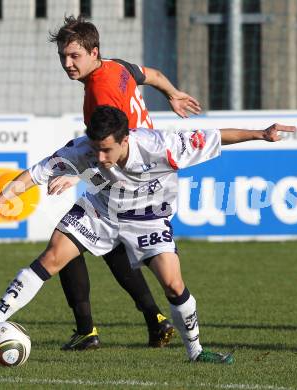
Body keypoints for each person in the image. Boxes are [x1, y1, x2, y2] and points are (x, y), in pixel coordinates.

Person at [0, 105, 295, 364]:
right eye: (96, 149)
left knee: (173, 284)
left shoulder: (162, 146)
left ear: (126, 139)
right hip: (100, 212)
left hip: (149, 220)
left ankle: (196, 352)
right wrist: (2, 198)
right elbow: (36, 174)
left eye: (107, 150)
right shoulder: (84, 149)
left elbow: (215, 136)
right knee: (51, 257)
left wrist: (262, 134)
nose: (100, 157)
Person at [48, 15, 202, 350]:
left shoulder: (100, 94)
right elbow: (154, 75)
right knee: (111, 243)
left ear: (93, 51)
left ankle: (87, 330)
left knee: (72, 234)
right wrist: (173, 94)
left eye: (73, 56)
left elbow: (110, 149)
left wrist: (79, 173)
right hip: (148, 171)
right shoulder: (116, 67)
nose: (67, 63)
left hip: (128, 172)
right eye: (63, 56)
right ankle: (154, 318)